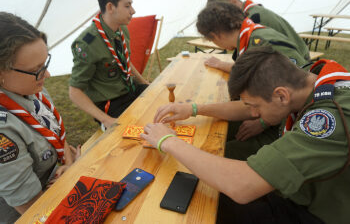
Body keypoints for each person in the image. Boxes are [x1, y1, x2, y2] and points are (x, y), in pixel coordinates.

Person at [141, 46, 350, 224]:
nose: (251, 114)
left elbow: (242, 186)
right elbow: (248, 106)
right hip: (306, 192)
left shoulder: (329, 119)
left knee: (204, 203)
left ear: (281, 95)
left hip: (319, 214)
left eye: (254, 106)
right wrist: (195, 109)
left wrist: (168, 141)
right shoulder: (307, 81)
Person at [0, 12, 79, 223]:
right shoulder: (3, 128)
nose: (48, 75)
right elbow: (31, 207)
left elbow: (56, 136)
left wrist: (70, 164)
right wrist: (69, 178)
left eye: (46, 63)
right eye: (37, 70)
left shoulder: (33, 89)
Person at [197, 1, 310, 143]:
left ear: (216, 36)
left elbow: (298, 87)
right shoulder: (250, 37)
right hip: (271, 111)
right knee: (213, 127)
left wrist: (263, 122)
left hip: (291, 123)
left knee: (222, 148)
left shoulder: (265, 42)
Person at [69, 0, 149, 130]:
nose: (133, 11)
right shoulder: (87, 44)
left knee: (160, 102)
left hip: (129, 90)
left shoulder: (122, 29)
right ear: (110, 7)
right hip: (110, 103)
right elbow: (74, 92)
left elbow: (124, 62)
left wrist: (145, 84)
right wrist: (106, 119)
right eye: (127, 6)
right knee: (138, 132)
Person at [205, 0, 310, 69]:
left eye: (223, 11)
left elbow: (251, 68)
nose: (222, 16)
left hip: (298, 65)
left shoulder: (254, 18)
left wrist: (220, 64)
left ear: (233, 2)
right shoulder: (253, 12)